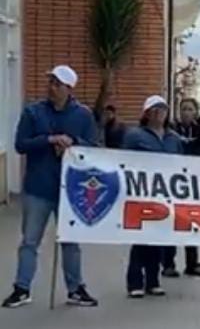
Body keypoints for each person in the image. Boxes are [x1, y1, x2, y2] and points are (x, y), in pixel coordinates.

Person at [2, 65, 99, 308]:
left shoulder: (83, 115)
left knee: (70, 241)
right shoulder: (33, 112)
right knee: (30, 240)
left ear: (69, 88)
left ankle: (75, 288)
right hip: (38, 186)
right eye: (51, 83)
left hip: (69, 189)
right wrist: (48, 140)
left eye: (57, 84)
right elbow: (21, 144)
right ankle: (21, 288)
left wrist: (73, 144)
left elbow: (94, 147)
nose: (52, 88)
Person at [123, 96, 184, 298]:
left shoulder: (173, 138)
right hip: (140, 194)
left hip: (164, 196)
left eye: (162, 109)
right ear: (146, 113)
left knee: (158, 238)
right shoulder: (134, 136)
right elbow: (122, 161)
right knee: (140, 239)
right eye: (154, 109)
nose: (159, 113)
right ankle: (134, 283)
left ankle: (153, 281)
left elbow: (183, 164)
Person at [162, 98, 200, 278]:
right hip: (175, 181)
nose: (186, 113)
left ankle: (192, 262)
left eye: (190, 109)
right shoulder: (172, 129)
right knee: (172, 223)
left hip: (194, 183)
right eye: (184, 109)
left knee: (192, 222)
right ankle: (168, 264)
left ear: (195, 112)